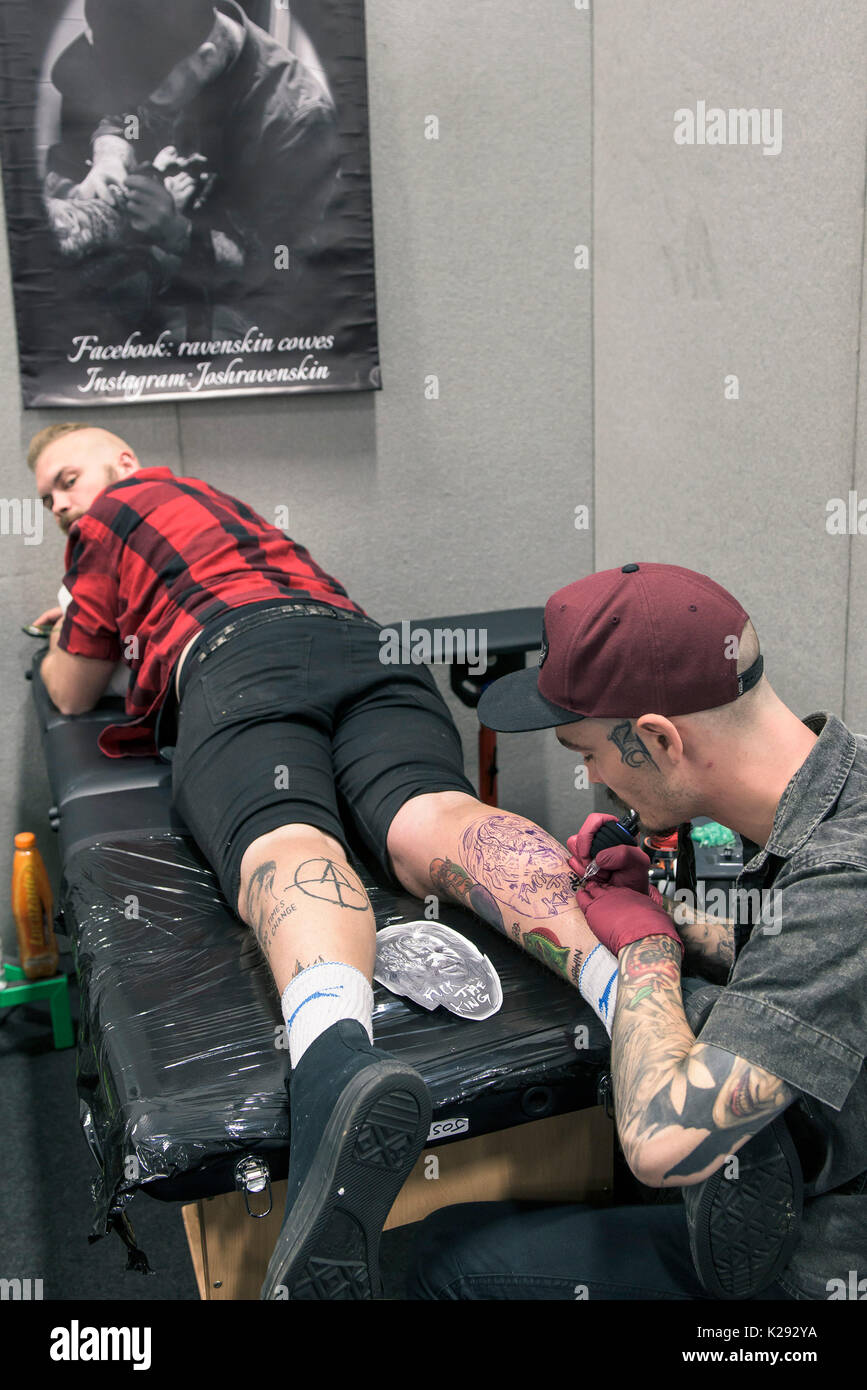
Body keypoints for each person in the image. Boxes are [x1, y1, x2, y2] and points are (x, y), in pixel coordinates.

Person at [28, 421, 605, 1301]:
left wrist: (69, 618)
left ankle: (337, 1062)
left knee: (286, 834)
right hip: (369, 645)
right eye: (49, 498)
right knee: (435, 817)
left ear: (123, 466)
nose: (63, 502)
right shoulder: (234, 512)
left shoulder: (108, 520)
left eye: (66, 479)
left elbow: (70, 686)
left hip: (240, 658)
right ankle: (628, 996)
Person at [409, 562, 867, 1300]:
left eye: (587, 755)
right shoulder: (836, 791)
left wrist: (646, 947)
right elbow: (795, 956)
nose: (594, 781)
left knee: (448, 1267)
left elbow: (663, 1144)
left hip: (822, 1273)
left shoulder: (846, 876)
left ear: (656, 740)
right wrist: (671, 915)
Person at [45, 0, 340, 337]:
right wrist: (110, 154)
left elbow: (284, 263)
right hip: (169, 264)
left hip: (253, 300)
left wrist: (178, 233)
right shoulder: (163, 60)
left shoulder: (297, 122)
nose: (143, 100)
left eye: (153, 93)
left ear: (206, 57)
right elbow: (128, 118)